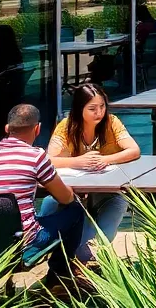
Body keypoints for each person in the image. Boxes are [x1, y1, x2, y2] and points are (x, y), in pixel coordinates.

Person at [0, 104, 85, 287]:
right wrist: (70, 192)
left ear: (7, 128)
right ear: (37, 129)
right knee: (76, 211)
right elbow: (65, 198)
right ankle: (60, 278)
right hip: (22, 243)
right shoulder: (36, 156)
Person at [43, 84, 140, 257]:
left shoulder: (112, 122)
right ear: (79, 108)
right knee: (51, 202)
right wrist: (77, 162)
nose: (99, 112)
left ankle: (92, 250)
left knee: (119, 202)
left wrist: (105, 159)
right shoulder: (66, 126)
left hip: (107, 189)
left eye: (102, 106)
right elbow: (48, 159)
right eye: (92, 108)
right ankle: (54, 247)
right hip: (73, 191)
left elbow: (134, 150)